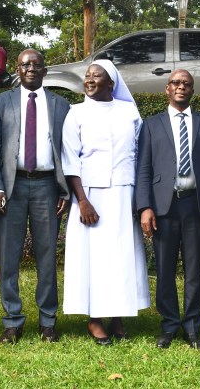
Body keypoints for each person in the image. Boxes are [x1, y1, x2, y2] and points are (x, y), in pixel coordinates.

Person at [61, 59, 150, 346]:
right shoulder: (75, 113)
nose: (89, 80)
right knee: (94, 259)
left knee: (121, 257)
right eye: (87, 76)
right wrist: (82, 201)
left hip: (123, 192)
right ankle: (95, 319)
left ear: (111, 83)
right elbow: (71, 160)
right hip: (89, 195)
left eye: (96, 76)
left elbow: (139, 155)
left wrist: (140, 199)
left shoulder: (129, 112)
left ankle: (118, 316)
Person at [136, 69, 200, 351]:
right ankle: (170, 325)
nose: (181, 87)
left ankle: (192, 328)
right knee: (164, 269)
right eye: (176, 82)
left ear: (192, 90)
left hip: (195, 204)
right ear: (167, 88)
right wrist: (145, 207)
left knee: (195, 270)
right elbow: (144, 169)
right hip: (164, 205)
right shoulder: (151, 125)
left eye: (186, 83)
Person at [0, 49, 70, 344]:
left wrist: (65, 190)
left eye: (37, 64)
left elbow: (67, 151)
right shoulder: (0, 102)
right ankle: (12, 321)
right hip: (12, 187)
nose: (31, 69)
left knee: (47, 256)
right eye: (26, 64)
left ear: (45, 70)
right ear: (17, 69)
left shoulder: (62, 105)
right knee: (9, 256)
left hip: (47, 187)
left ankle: (48, 321)